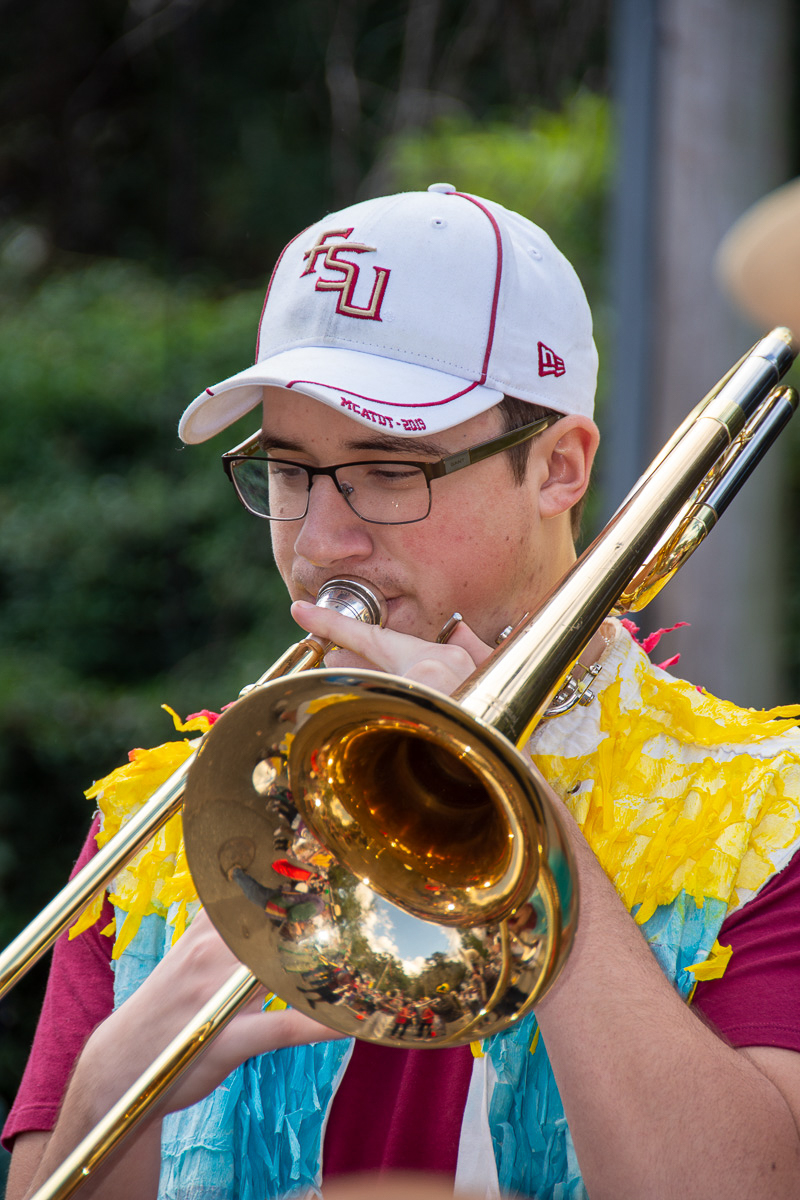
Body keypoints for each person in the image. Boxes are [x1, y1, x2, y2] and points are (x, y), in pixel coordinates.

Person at [5, 184, 800, 1200]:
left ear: (558, 468)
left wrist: (512, 805)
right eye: (287, 471)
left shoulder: (768, 815)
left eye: (387, 470)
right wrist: (118, 1079)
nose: (321, 541)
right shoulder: (162, 817)